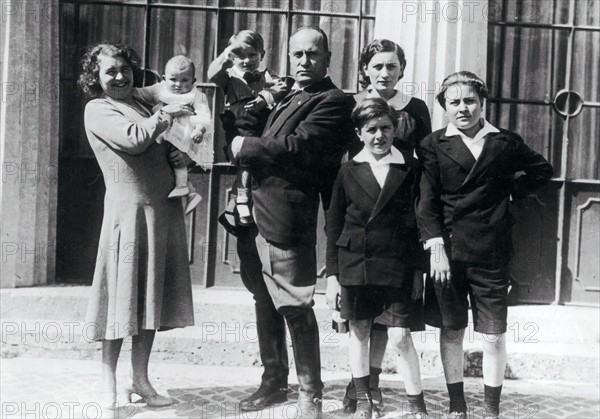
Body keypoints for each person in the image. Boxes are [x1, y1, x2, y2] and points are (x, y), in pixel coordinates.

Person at [228, 26, 355, 418]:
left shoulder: (333, 101)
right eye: (296, 54)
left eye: (312, 54)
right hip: (249, 214)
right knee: (263, 300)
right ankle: (272, 382)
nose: (303, 62)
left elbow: (299, 147)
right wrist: (260, 98)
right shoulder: (285, 94)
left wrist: (245, 147)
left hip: (287, 218)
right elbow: (236, 122)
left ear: (328, 58)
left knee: (296, 306)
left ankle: (310, 395)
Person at [416, 71, 553, 419]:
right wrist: (436, 250)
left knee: (493, 335)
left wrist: (510, 198)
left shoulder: (504, 142)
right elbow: (426, 203)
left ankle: (491, 410)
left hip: (491, 252)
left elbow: (542, 170)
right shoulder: (433, 145)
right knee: (451, 331)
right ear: (444, 106)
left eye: (469, 101)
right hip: (446, 253)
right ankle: (457, 406)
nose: (462, 109)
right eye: (454, 102)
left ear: (482, 103)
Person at [79, 43, 195, 415]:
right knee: (119, 302)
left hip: (160, 212)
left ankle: (140, 380)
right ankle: (108, 383)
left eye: (125, 69)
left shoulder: (143, 103)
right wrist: (166, 115)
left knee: (149, 303)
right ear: (95, 78)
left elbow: (162, 133)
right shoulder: (98, 109)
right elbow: (133, 139)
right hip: (126, 215)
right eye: (110, 71)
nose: (119, 76)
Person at [341, 38, 433, 416]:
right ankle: (363, 390)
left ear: (401, 70)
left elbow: (426, 162)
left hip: (399, 209)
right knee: (362, 318)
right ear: (365, 69)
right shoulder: (350, 104)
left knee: (392, 324)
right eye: (376, 66)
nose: (383, 73)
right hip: (359, 208)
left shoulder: (416, 109)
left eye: (391, 66)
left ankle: (373, 384)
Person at [208, 30, 290, 225]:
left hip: (260, 126)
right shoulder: (228, 77)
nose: (246, 61)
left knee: (255, 162)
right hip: (238, 127)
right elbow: (212, 74)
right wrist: (227, 53)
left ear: (262, 54)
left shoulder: (266, 74)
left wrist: (265, 97)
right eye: (240, 55)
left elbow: (282, 87)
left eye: (252, 55)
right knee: (245, 158)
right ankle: (241, 199)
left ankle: (238, 204)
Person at [134, 55, 214, 214]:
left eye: (185, 80)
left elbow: (204, 115)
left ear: (193, 80)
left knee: (177, 158)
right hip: (163, 131)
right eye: (173, 80)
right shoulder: (159, 90)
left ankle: (183, 186)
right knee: (169, 157)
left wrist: (200, 129)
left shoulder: (197, 96)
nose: (178, 85)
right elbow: (139, 94)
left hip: (183, 132)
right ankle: (190, 192)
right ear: (164, 79)